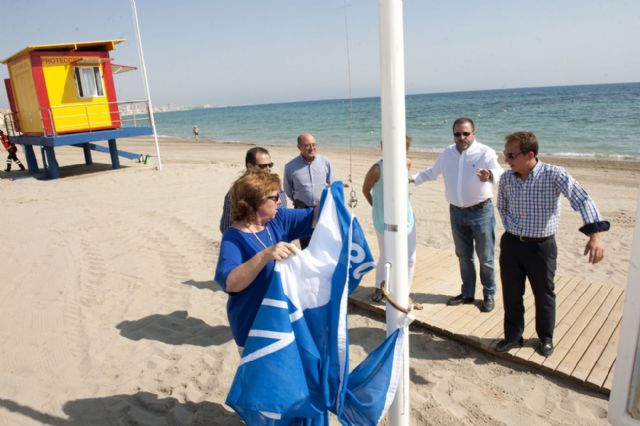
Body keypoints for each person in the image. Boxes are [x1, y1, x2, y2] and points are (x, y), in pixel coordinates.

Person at [495, 131, 609, 357]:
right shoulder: (507, 178)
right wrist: (514, 228)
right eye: (505, 154)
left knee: (544, 294)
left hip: (541, 247)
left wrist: (595, 234)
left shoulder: (555, 174)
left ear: (529, 154)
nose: (505, 160)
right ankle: (513, 336)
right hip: (511, 245)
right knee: (511, 293)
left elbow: (582, 199)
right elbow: (502, 207)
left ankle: (545, 338)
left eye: (510, 155)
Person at [410, 117, 503, 312]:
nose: (461, 137)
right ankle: (468, 293)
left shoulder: (484, 152)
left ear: (473, 134)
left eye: (465, 133)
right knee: (464, 256)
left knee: (485, 257)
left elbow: (500, 172)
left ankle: (489, 293)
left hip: (481, 212)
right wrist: (412, 178)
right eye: (457, 134)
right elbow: (432, 172)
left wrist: (490, 175)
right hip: (456, 212)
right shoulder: (447, 153)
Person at [214, 170, 315, 348]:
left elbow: (315, 217)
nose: (279, 202)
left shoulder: (278, 219)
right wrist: (265, 256)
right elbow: (230, 283)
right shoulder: (233, 237)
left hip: (283, 322)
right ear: (257, 201)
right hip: (254, 329)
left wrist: (332, 194)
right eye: (275, 198)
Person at [362, 136, 416, 303]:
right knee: (387, 256)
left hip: (407, 218)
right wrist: (377, 207)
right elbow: (365, 190)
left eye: (404, 147)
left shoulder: (407, 163)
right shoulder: (377, 169)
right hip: (383, 220)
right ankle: (380, 287)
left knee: (410, 257)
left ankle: (403, 293)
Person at [219, 147, 288, 233]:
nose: (268, 169)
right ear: (250, 166)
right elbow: (226, 227)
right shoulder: (236, 193)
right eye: (263, 166)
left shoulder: (277, 189)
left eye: (270, 165)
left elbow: (284, 216)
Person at [284, 132, 333, 249]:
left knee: (325, 245)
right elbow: (288, 190)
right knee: (307, 247)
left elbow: (330, 184)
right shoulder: (290, 166)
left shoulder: (325, 162)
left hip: (323, 210)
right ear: (299, 147)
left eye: (314, 144)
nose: (312, 148)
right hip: (302, 212)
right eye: (307, 145)